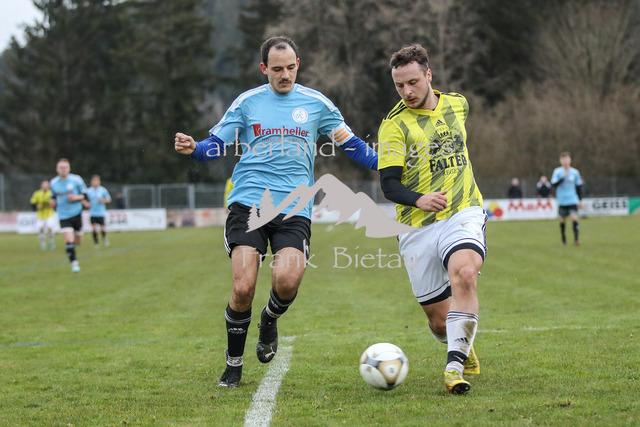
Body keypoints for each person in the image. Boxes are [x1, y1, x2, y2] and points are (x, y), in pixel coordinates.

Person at [174, 36, 377, 388]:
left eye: (291, 67)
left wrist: (386, 164)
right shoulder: (247, 102)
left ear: (299, 65)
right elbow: (216, 146)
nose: (285, 75)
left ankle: (269, 319)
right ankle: (233, 364)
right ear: (264, 68)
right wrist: (195, 148)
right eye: (278, 69)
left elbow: (353, 145)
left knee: (287, 280)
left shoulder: (317, 104)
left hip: (295, 207)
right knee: (243, 287)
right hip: (248, 202)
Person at [377, 44, 486, 394]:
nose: (407, 91)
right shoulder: (393, 126)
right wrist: (419, 199)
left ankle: (454, 368)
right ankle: (458, 341)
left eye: (413, 82)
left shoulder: (458, 104)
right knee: (440, 323)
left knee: (465, 273)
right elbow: (388, 184)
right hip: (415, 226)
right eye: (399, 85)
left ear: (428, 75)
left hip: (463, 210)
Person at [49, 158, 89, 273]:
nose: (63, 169)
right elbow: (53, 196)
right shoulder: (53, 182)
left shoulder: (76, 180)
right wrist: (52, 201)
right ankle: (74, 264)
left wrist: (75, 197)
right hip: (63, 215)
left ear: (69, 169)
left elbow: (85, 195)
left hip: (76, 213)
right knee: (69, 239)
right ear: (57, 169)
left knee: (78, 242)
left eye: (65, 167)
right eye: (61, 167)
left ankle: (74, 244)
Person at [551, 152, 583, 245]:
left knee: (574, 218)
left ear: (570, 160)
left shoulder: (575, 172)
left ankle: (576, 239)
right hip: (562, 200)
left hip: (572, 199)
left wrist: (580, 200)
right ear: (560, 161)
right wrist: (562, 178)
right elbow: (554, 184)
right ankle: (563, 239)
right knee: (563, 220)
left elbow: (578, 186)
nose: (565, 161)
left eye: (567, 159)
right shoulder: (557, 172)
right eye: (563, 159)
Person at [86, 175, 112, 248]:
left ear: (99, 182)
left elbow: (109, 199)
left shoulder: (103, 190)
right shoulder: (88, 191)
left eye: (96, 181)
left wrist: (103, 200)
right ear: (91, 182)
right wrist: (86, 204)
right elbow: (84, 200)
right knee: (94, 228)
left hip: (101, 213)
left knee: (102, 228)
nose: (95, 182)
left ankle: (104, 239)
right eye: (94, 181)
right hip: (92, 213)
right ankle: (96, 243)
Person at [30, 180, 56, 250]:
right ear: (41, 186)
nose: (45, 187)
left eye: (46, 186)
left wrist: (53, 205)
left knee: (50, 228)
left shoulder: (51, 193)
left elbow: (56, 203)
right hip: (40, 216)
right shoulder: (37, 193)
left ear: (48, 187)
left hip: (49, 214)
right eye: (44, 186)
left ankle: (51, 241)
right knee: (40, 229)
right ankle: (43, 243)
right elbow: (32, 203)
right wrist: (36, 206)